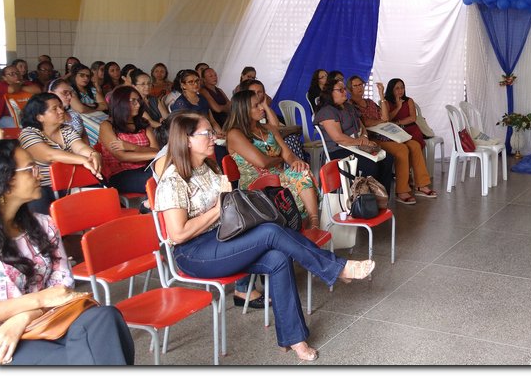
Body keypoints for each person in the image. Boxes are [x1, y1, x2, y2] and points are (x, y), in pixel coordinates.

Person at [153, 112, 375, 361]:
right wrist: (217, 208)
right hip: (194, 253)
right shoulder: (173, 180)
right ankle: (336, 268)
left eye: (211, 132)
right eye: (207, 133)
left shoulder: (206, 167)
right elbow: (178, 234)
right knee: (269, 232)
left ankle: (295, 339)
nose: (213, 137)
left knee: (278, 257)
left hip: (221, 238)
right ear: (186, 140)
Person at [0, 139, 135, 365]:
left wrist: (25, 315)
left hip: (46, 319)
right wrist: (39, 300)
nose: (40, 174)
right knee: (88, 356)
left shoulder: (43, 225)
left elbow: (62, 287)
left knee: (106, 318)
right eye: (31, 169)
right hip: (1, 339)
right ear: (5, 180)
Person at [225, 90, 320, 227]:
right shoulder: (235, 134)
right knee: (298, 180)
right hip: (256, 185)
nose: (262, 108)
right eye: (256, 105)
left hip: (278, 177)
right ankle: (301, 224)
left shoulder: (268, 129)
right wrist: (279, 159)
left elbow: (287, 154)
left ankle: (314, 223)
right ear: (244, 110)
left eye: (260, 104)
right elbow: (263, 163)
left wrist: (295, 161)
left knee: (302, 171)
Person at [348, 76, 436, 204]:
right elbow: (366, 123)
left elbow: (385, 117)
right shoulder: (351, 105)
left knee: (415, 145)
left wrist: (381, 96)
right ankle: (402, 191)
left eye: (361, 84)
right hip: (373, 138)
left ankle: (421, 184)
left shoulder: (369, 102)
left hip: (387, 133)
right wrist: (381, 121)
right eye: (356, 85)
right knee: (402, 150)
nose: (360, 87)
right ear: (350, 88)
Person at [18, 93, 103, 215]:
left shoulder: (66, 130)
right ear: (39, 117)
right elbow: (49, 155)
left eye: (60, 107)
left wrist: (93, 154)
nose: (61, 111)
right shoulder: (28, 134)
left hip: (68, 184)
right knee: (42, 214)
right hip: (42, 187)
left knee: (99, 199)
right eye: (54, 109)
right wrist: (83, 160)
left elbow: (80, 147)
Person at [314, 79, 394, 196]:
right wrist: (360, 142)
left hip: (357, 145)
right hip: (339, 150)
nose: (344, 92)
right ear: (330, 93)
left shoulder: (349, 107)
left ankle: (381, 198)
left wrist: (365, 137)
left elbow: (361, 126)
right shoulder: (327, 112)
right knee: (371, 166)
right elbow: (338, 138)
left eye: (344, 89)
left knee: (388, 158)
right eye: (340, 90)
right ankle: (365, 201)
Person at [98, 85, 158, 195]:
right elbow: (121, 156)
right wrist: (156, 155)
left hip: (145, 168)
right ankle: (147, 205)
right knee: (160, 179)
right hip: (121, 174)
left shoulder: (143, 123)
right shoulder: (107, 125)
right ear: (120, 103)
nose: (138, 105)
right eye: (133, 101)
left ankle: (149, 205)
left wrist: (132, 147)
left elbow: (156, 149)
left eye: (138, 101)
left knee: (170, 173)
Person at [242, 78, 308, 163]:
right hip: (267, 162)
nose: (257, 95)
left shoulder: (262, 109)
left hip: (276, 146)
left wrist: (265, 105)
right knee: (290, 141)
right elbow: (263, 163)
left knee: (292, 140)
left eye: (260, 92)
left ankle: (297, 167)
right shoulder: (238, 132)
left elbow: (274, 127)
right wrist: (280, 159)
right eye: (253, 92)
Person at [169, 69, 225, 136]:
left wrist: (219, 132)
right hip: (193, 136)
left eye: (197, 81)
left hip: (208, 133)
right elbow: (183, 128)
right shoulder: (181, 103)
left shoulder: (202, 98)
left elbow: (212, 120)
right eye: (190, 82)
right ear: (183, 85)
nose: (195, 84)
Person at [383, 78, 426, 150]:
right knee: (401, 149)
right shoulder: (386, 102)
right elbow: (387, 119)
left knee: (415, 148)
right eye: (397, 88)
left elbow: (413, 118)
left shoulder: (409, 100)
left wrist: (397, 122)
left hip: (412, 129)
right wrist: (398, 107)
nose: (400, 90)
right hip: (396, 131)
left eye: (402, 87)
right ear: (391, 89)